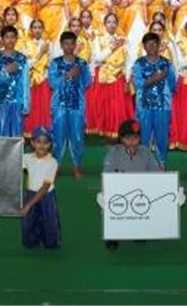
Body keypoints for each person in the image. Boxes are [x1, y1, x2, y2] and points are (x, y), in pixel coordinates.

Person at [101, 118, 162, 249]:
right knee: (111, 205)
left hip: (141, 194)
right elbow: (108, 174)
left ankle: (138, 230)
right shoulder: (113, 153)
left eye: (135, 138)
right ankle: (113, 235)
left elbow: (155, 172)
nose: (132, 141)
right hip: (119, 194)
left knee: (143, 209)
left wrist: (161, 177)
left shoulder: (146, 152)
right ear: (121, 138)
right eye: (128, 138)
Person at [48, 30, 92, 177]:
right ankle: (56, 165)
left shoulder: (82, 63)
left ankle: (77, 166)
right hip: (59, 105)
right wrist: (67, 76)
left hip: (77, 105)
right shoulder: (55, 63)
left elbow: (87, 82)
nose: (69, 46)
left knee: (77, 136)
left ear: (75, 45)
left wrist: (78, 78)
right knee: (58, 135)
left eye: (71, 43)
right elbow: (52, 83)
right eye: (66, 43)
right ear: (61, 45)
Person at [131, 31, 177, 165]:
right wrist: (156, 78)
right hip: (144, 105)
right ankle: (143, 164)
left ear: (159, 45)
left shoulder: (166, 63)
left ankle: (161, 163)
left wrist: (164, 92)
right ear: (144, 46)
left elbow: (173, 83)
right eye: (148, 44)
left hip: (163, 106)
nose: (151, 46)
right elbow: (138, 83)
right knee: (144, 136)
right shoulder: (139, 63)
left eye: (154, 43)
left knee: (162, 137)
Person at [20, 125, 61, 250]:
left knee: (50, 226)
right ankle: (33, 240)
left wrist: (28, 205)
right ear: (32, 143)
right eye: (38, 141)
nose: (42, 145)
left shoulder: (52, 162)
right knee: (28, 227)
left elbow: (45, 187)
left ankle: (51, 240)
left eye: (45, 142)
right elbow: (12, 162)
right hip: (31, 193)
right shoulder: (27, 158)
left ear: (50, 145)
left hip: (46, 196)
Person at [0, 24, 30, 137]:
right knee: (2, 134)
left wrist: (25, 104)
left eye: (12, 37)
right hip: (1, 102)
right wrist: (5, 71)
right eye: (7, 37)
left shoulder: (22, 59)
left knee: (16, 134)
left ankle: (16, 149)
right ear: (2, 39)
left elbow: (25, 83)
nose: (10, 40)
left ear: (16, 39)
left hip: (17, 102)